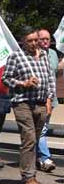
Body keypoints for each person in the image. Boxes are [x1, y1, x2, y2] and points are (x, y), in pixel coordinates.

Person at [2, 28, 56, 184]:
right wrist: (23, 83)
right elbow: (6, 79)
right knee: (29, 139)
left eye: (36, 40)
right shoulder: (16, 56)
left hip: (40, 103)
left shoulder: (44, 55)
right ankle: (28, 177)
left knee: (35, 139)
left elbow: (50, 77)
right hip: (23, 102)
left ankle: (31, 174)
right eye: (30, 41)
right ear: (23, 42)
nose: (34, 43)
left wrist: (49, 98)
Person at [36, 29, 60, 173]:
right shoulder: (34, 54)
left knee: (41, 130)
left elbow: (55, 73)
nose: (45, 41)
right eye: (42, 38)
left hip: (52, 98)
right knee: (42, 130)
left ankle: (38, 158)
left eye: (48, 39)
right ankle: (45, 157)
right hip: (38, 99)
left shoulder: (53, 54)